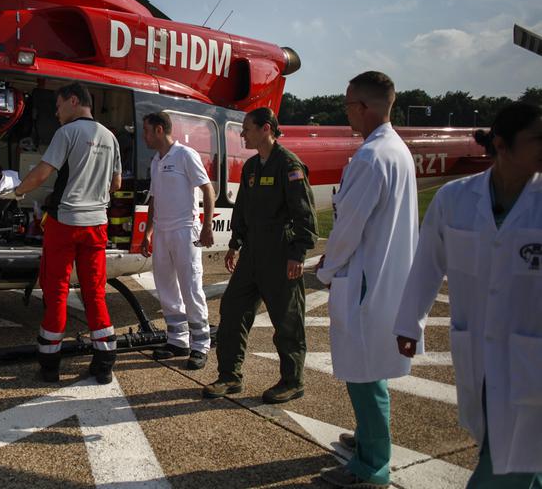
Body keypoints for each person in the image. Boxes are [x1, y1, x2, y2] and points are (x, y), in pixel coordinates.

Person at [394, 103, 542, 488]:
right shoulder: (454, 200)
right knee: (508, 448)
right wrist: (410, 322)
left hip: (533, 356)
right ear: (502, 145)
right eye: (537, 139)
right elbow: (427, 263)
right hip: (480, 350)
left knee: (509, 461)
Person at [316, 71, 418, 489]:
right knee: (370, 363)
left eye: (348, 104)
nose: (346, 112)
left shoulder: (371, 157)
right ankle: (367, 436)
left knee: (363, 369)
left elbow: (348, 227)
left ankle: (372, 463)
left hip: (365, 277)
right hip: (386, 273)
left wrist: (324, 269)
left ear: (366, 107)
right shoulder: (396, 150)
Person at [6, 82, 122, 384]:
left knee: (56, 291)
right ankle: (104, 362)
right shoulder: (110, 137)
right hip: (97, 225)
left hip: (66, 222)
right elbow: (116, 185)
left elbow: (43, 172)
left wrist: (16, 192)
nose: (56, 113)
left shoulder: (67, 133)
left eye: (58, 106)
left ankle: (49, 365)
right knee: (95, 292)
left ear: (73, 101)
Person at [204, 107, 317, 403]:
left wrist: (298, 254)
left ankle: (293, 380)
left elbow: (305, 215)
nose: (242, 134)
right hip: (252, 253)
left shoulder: (289, 165)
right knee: (231, 310)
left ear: (266, 128)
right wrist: (235, 244)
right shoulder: (252, 167)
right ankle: (230, 376)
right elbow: (242, 209)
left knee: (287, 320)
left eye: (247, 128)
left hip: (281, 253)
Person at [139, 111, 215, 369]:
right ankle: (177, 340)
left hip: (185, 230)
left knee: (191, 287)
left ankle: (200, 345)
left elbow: (207, 189)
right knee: (166, 287)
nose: (145, 136)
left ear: (159, 130)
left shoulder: (185, 155)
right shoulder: (156, 161)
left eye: (147, 131)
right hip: (162, 231)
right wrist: (148, 232)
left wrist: (206, 227)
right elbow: (154, 199)